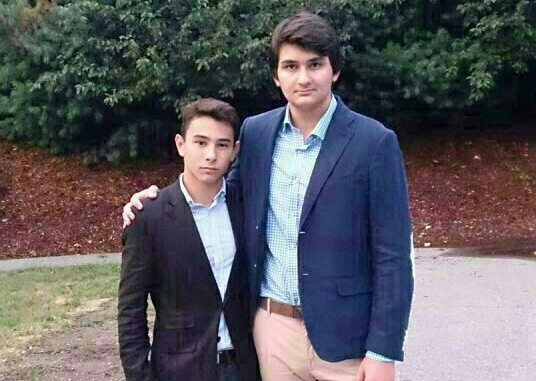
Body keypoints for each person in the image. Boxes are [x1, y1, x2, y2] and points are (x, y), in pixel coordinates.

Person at [123, 11, 413, 381]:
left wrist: (383, 351)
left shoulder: (374, 143)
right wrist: (154, 201)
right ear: (277, 76)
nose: (303, 77)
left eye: (315, 64)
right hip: (271, 333)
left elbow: (393, 257)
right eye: (290, 66)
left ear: (334, 71)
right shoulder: (257, 133)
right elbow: (221, 192)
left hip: (347, 341)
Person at [118, 98, 258, 381]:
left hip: (245, 366)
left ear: (235, 151)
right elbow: (131, 309)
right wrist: (140, 375)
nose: (211, 155)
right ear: (181, 144)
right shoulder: (150, 216)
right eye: (200, 142)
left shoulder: (247, 207)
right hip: (179, 370)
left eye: (222, 145)